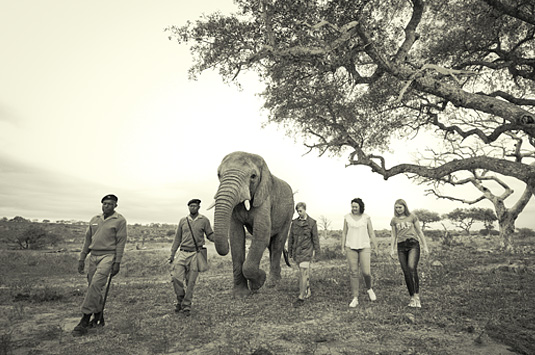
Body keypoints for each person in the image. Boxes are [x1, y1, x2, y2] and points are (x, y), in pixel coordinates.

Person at [72, 194, 128, 336]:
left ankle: (84, 319)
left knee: (96, 285)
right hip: (93, 256)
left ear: (115, 205)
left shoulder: (119, 220)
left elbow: (121, 242)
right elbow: (87, 240)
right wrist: (82, 258)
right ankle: (99, 317)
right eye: (104, 203)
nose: (107, 206)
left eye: (110, 203)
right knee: (93, 288)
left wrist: (117, 262)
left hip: (108, 256)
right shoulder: (94, 219)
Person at [168, 199, 214, 316]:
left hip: (196, 253)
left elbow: (209, 235)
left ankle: (186, 306)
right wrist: (172, 254)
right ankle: (180, 298)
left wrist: (219, 238)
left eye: (195, 206)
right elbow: (177, 238)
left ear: (199, 207)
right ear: (188, 207)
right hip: (182, 252)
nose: (192, 208)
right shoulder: (183, 221)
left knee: (191, 282)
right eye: (190, 206)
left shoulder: (204, 220)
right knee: (176, 278)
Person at [389, 199, 430, 308]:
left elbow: (419, 232)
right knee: (406, 271)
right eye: (396, 207)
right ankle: (412, 297)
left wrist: (425, 246)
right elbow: (393, 235)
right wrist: (392, 249)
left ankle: (417, 296)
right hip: (401, 246)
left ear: (405, 207)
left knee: (412, 268)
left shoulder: (412, 217)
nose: (398, 210)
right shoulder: (394, 220)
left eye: (400, 207)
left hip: (413, 245)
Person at [341, 198, 378, 308]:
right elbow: (344, 232)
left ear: (360, 207)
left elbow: (371, 232)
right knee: (353, 272)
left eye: (356, 207)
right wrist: (342, 246)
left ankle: (369, 288)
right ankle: (355, 297)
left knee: (366, 272)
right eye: (352, 206)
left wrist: (375, 247)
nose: (354, 208)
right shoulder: (347, 217)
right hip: (350, 247)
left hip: (364, 246)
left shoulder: (366, 217)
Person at [287, 202, 320, 306]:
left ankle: (301, 297)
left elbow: (315, 239)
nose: (299, 213)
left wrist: (317, 253)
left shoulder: (312, 223)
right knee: (303, 273)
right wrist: (290, 252)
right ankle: (307, 289)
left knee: (303, 272)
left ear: (305, 210)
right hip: (297, 252)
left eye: (300, 211)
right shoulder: (294, 223)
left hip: (307, 251)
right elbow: (290, 238)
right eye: (297, 211)